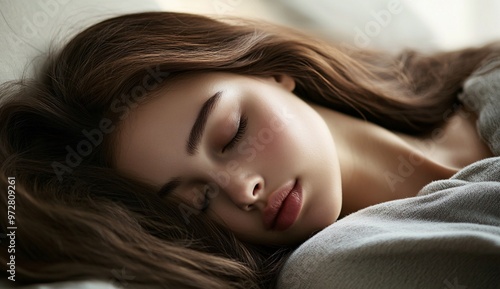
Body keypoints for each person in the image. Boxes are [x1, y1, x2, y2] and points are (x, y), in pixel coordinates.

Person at [0, 11, 498, 289]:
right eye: (196, 202)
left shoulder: (485, 77)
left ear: (268, 69)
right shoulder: (336, 268)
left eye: (232, 133)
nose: (243, 189)